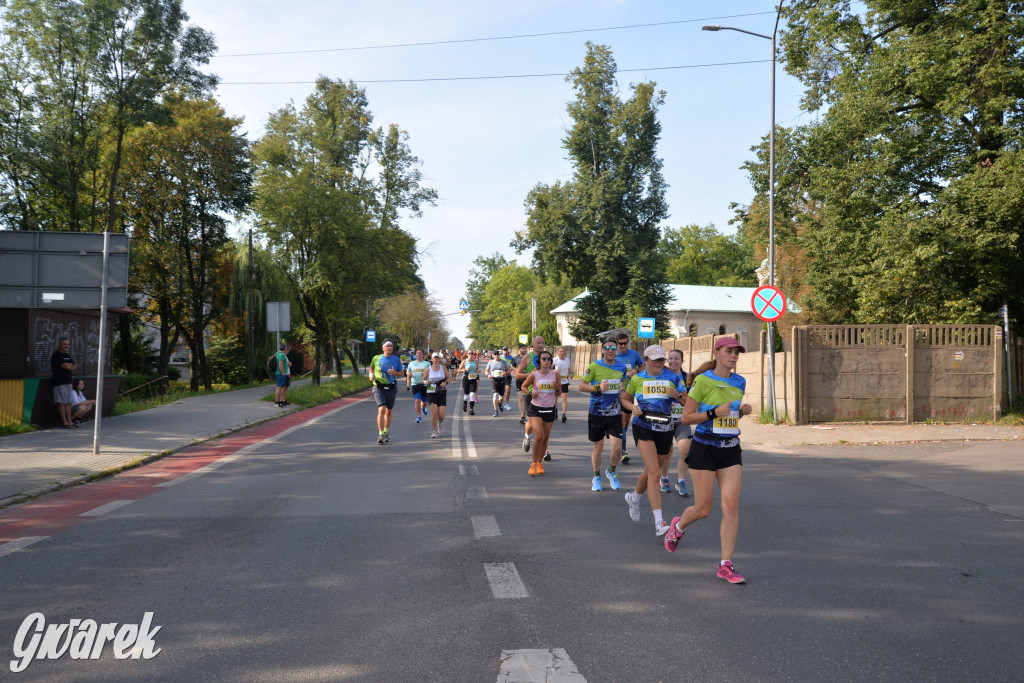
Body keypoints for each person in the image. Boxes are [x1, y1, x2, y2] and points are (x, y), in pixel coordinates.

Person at [663, 336, 753, 585]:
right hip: (703, 448)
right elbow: (687, 418)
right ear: (717, 353)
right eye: (728, 351)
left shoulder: (740, 381)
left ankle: (726, 565)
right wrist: (714, 412)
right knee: (703, 509)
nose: (733, 356)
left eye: (736, 352)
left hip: (730, 448)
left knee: (731, 506)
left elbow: (729, 417)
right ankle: (678, 526)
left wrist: (740, 413)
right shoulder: (702, 381)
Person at [621, 345, 684, 536]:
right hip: (643, 427)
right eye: (655, 360)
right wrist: (633, 407)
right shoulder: (637, 379)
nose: (659, 363)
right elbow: (625, 399)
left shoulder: (673, 377)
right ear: (646, 360)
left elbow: (688, 403)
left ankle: (634, 498)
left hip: (665, 428)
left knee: (649, 471)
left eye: (661, 360)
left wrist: (678, 395)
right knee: (655, 473)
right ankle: (659, 522)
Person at [579, 340, 628, 491]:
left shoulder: (621, 367)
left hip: (614, 413)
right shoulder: (594, 366)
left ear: (616, 350)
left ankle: (611, 471)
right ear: (602, 350)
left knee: (618, 448)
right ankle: (596, 476)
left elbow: (622, 384)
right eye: (607, 348)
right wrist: (597, 387)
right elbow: (581, 385)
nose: (610, 350)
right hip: (597, 413)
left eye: (613, 348)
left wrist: (622, 393)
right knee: (598, 447)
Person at [521, 350, 560, 476]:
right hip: (535, 408)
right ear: (539, 361)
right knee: (539, 436)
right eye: (544, 359)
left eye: (549, 359)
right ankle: (533, 463)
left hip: (549, 409)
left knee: (545, 439)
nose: (547, 361)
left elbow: (559, 393)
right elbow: (524, 386)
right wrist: (531, 393)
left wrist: (556, 389)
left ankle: (539, 463)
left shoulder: (555, 375)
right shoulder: (534, 374)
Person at [665, 348, 692, 496]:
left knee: (685, 450)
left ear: (682, 361)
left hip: (682, 420)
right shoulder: (662, 376)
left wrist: (678, 396)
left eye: (676, 359)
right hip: (665, 420)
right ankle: (664, 478)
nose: (673, 361)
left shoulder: (688, 378)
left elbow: (689, 402)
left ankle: (681, 481)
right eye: (671, 358)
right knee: (666, 452)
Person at [615, 332, 645, 463]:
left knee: (625, 422)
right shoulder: (612, 354)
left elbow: (643, 366)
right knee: (621, 422)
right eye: (620, 344)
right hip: (614, 393)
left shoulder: (634, 354)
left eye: (625, 343)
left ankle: (619, 437)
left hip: (629, 393)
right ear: (617, 344)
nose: (623, 346)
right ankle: (623, 450)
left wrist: (637, 372)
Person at [368, 340, 404, 444]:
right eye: (387, 346)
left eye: (391, 346)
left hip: (391, 387)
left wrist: (395, 373)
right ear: (383, 348)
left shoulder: (396, 360)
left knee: (388, 411)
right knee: (381, 409)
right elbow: (371, 368)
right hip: (378, 387)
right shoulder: (376, 358)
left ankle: (386, 431)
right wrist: (371, 375)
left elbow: (401, 373)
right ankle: (380, 434)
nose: (389, 348)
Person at [515, 336, 546, 456]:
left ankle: (544, 450)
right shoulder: (528, 357)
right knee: (532, 422)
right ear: (533, 344)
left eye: (542, 343)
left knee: (543, 423)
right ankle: (527, 437)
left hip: (545, 394)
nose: (540, 344)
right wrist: (531, 374)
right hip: (530, 393)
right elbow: (518, 375)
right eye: (538, 342)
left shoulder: (547, 357)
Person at [51, 338, 77, 429]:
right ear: (60, 345)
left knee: (69, 402)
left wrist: (69, 366)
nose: (66, 346)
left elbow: (74, 367)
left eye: (68, 344)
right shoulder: (56, 355)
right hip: (59, 382)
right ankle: (64, 422)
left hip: (68, 381)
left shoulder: (67, 355)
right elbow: (65, 366)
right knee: (62, 402)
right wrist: (69, 365)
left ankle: (70, 421)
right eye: (64, 344)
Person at [425, 352, 453, 438]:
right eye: (434, 358)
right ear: (431, 359)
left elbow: (449, 378)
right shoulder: (428, 369)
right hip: (431, 391)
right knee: (434, 412)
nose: (436, 359)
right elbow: (423, 379)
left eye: (437, 358)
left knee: (441, 415)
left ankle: (439, 423)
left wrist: (446, 382)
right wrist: (426, 382)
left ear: (439, 359)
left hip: (441, 391)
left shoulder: (443, 368)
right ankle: (434, 431)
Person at [405, 349, 431, 423]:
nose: (419, 354)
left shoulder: (427, 364)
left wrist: (426, 374)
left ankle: (423, 407)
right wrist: (408, 374)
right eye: (417, 353)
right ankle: (418, 417)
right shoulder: (411, 363)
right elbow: (407, 371)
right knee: (417, 400)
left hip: (424, 384)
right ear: (415, 355)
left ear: (423, 355)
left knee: (425, 402)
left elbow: (431, 372)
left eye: (420, 353)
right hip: (415, 384)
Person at [485, 352, 510, 417]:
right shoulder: (490, 362)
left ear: (499, 355)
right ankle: (496, 411)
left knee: (501, 397)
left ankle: (499, 403)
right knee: (495, 394)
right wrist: (488, 375)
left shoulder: (503, 362)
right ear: (493, 355)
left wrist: (505, 373)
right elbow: (486, 371)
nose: (496, 356)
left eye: (498, 354)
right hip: (494, 379)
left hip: (502, 380)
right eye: (495, 355)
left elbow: (509, 370)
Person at [458, 349, 481, 415]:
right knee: (466, 395)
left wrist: (478, 370)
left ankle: (471, 409)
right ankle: (465, 402)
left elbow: (476, 369)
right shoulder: (464, 361)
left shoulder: (475, 361)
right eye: (469, 353)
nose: (471, 355)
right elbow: (459, 370)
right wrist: (465, 369)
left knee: (472, 394)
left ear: (474, 355)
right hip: (466, 378)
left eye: (472, 353)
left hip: (473, 378)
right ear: (467, 354)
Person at [553, 346, 572, 423]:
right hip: (557, 381)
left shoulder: (567, 360)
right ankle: (555, 410)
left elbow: (569, 368)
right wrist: (555, 370)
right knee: (556, 398)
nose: (562, 353)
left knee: (564, 398)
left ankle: (564, 414)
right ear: (558, 352)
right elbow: (550, 369)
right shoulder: (554, 359)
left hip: (565, 381)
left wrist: (571, 373)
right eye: (560, 351)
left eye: (563, 351)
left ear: (565, 352)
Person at [512, 342, 530, 424]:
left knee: (527, 399)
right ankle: (522, 416)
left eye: (525, 348)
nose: (524, 349)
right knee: (520, 398)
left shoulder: (529, 357)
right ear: (519, 349)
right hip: (519, 380)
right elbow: (512, 366)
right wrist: (517, 371)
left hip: (528, 379)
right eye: (523, 348)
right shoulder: (516, 358)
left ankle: (527, 413)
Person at [274, 343, 292, 407]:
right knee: (279, 387)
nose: (288, 350)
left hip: (282, 373)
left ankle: (281, 401)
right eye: (287, 349)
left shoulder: (282, 355)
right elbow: (280, 364)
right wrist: (283, 372)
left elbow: (288, 364)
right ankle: (277, 402)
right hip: (280, 373)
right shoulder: (281, 355)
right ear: (285, 349)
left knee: (282, 387)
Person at [499, 346, 515, 410]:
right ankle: (500, 403)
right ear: (502, 351)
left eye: (506, 350)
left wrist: (511, 370)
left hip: (508, 376)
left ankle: (506, 404)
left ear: (508, 350)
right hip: (500, 377)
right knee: (501, 393)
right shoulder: (500, 357)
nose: (505, 351)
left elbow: (513, 366)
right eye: (504, 350)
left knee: (508, 390)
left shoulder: (511, 358)